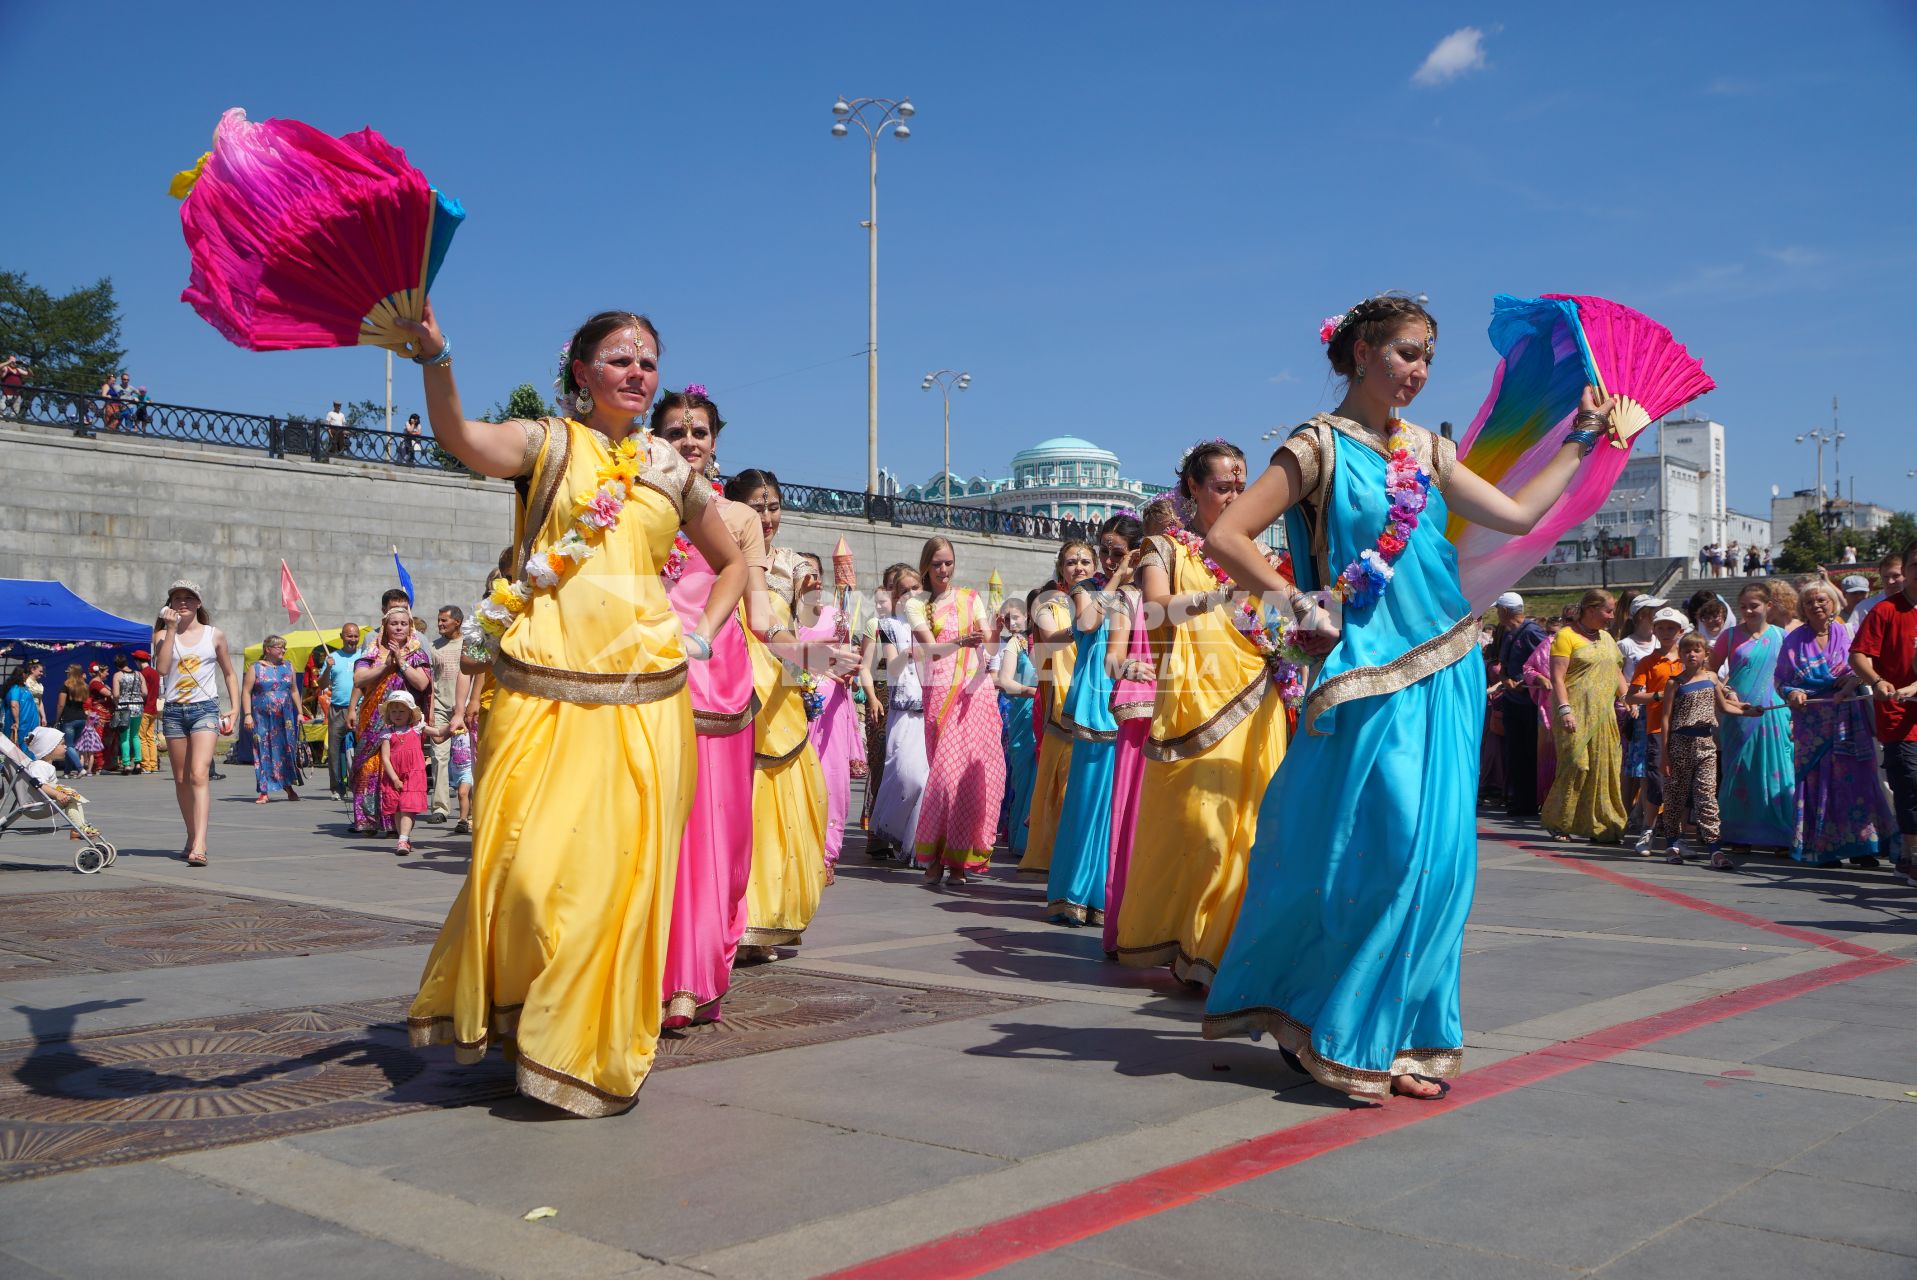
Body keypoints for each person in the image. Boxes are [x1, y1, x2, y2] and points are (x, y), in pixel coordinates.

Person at [1202, 293, 1620, 1103]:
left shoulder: (1426, 450)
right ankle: (1339, 1024)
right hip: (1365, 674)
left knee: (1438, 864)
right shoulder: (1315, 445)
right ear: (1359, 353)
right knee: (1383, 850)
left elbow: (1519, 511)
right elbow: (1226, 536)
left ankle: (1403, 1037)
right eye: (1403, 352)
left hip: (1447, 663)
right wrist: (1297, 602)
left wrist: (1579, 441)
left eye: (1427, 356)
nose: (1417, 371)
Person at [403, 305, 744, 1117]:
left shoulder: (668, 466)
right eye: (620, 359)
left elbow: (730, 562)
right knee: (525, 873)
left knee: (615, 884)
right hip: (539, 691)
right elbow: (460, 438)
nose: (636, 373)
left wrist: (699, 634)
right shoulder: (547, 443)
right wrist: (437, 355)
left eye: (648, 362)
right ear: (581, 371)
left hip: (649, 700)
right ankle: (525, 1007)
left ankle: (578, 1050)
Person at [1114, 440, 1288, 988]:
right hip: (1194, 703)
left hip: (1257, 696)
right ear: (1193, 487)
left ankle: (1228, 958)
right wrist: (1221, 597)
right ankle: (1195, 945)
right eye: (1222, 486)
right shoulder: (1164, 549)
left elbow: (1282, 616)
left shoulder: (1251, 548)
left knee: (1255, 831)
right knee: (1206, 834)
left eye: (1241, 486)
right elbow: (1158, 607)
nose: (1235, 495)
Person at [652, 385, 768, 1025]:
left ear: (716, 442)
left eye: (699, 432)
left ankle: (697, 967)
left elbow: (761, 615)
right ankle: (666, 973)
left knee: (718, 830)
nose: (689, 441)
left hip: (719, 677)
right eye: (676, 432)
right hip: (651, 670)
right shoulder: (639, 505)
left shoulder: (740, 519)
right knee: (669, 824)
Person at [727, 468, 839, 961]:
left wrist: (823, 599)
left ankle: (771, 917)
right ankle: (740, 917)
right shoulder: (719, 558)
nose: (767, 517)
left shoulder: (793, 565)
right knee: (743, 805)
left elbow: (817, 622)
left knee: (787, 804)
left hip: (781, 692)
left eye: (773, 507)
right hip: (730, 683)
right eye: (756, 506)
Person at [1042, 514, 1143, 922]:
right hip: (1095, 700)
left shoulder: (1149, 591)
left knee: (1117, 805)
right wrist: (1116, 578)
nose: (1105, 558)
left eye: (1116, 552)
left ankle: (1106, 898)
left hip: (1133, 701)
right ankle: (1073, 894)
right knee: (1085, 801)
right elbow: (1086, 624)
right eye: (1104, 550)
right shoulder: (1087, 590)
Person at [1775, 580, 1895, 867]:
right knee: (1819, 783)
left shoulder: (1849, 632)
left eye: (1821, 600)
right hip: (1813, 722)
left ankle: (1862, 846)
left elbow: (1864, 666)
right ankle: (1824, 847)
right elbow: (1781, 680)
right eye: (1809, 602)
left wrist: (1852, 680)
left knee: (1855, 781)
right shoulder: (1793, 640)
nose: (1815, 605)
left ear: (1833, 602)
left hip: (1848, 719)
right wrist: (1794, 692)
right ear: (1802, 608)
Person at [907, 536, 1005, 886]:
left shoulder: (971, 599)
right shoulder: (917, 604)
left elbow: (990, 645)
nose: (944, 570)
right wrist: (961, 642)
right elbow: (930, 650)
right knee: (945, 780)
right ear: (926, 567)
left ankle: (959, 862)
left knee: (971, 781)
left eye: (948, 563)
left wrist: (998, 628)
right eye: (937, 564)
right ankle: (933, 856)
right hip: (941, 697)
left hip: (976, 695)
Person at [1017, 543, 1093, 878]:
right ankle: (1056, 855)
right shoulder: (1048, 603)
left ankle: (1085, 857)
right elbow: (1050, 639)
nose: (1079, 567)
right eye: (1072, 562)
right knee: (1060, 785)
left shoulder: (1105, 597)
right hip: (1061, 702)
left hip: (1101, 703)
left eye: (1085, 561)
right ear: (1060, 568)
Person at [154, 580, 240, 867]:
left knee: (198, 774)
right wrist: (168, 630)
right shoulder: (162, 635)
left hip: (205, 709)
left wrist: (235, 708)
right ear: (170, 604)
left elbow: (229, 672)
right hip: (175, 710)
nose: (183, 602)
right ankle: (191, 835)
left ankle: (200, 843)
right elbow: (163, 669)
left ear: (198, 603)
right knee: (180, 779)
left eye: (189, 598)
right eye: (177, 598)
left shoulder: (214, 635)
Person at [1846, 541, 1917, 884]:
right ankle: (1911, 853)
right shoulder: (1885, 612)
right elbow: (1858, 655)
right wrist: (1877, 680)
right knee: (1910, 785)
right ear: (1906, 571)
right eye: (1915, 564)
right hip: (1898, 718)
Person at [795, 554, 867, 878]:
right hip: (798, 703)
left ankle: (828, 855)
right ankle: (800, 850)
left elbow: (849, 655)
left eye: (816, 573)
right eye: (804, 574)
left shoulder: (837, 615)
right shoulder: (786, 619)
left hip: (833, 707)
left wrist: (849, 669)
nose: (812, 580)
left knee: (833, 780)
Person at [1654, 632, 1750, 869]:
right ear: (1681, 655)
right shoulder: (1674, 683)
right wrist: (1664, 753)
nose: (1691, 654)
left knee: (1706, 796)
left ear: (1705, 654)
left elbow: (1725, 706)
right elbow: (1666, 718)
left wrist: (1748, 711)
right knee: (1675, 795)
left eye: (1696, 650)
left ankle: (1714, 849)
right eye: (1686, 650)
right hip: (1680, 743)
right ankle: (1672, 843)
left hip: (1706, 744)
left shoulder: (1711, 677)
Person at [1542, 590, 1628, 843]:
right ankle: (1560, 822)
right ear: (1590, 609)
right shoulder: (1565, 636)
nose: (1612, 617)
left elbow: (1615, 672)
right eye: (1608, 611)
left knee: (1605, 767)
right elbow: (1557, 677)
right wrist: (1565, 709)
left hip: (1603, 714)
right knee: (1578, 766)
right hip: (1574, 713)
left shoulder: (1607, 638)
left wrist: (1628, 700)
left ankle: (1602, 826)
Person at [1715, 583, 1796, 849]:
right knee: (1740, 772)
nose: (1749, 611)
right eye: (1744, 606)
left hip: (1774, 713)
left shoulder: (1781, 636)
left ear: (1768, 607)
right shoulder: (1729, 637)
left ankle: (1782, 836)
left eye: (1755, 605)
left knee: (1778, 772)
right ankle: (1739, 834)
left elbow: (1791, 675)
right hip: (1739, 715)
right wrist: (1726, 691)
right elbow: (1709, 672)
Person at [348, 604, 432, 833]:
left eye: (403, 624)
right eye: (394, 623)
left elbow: (422, 683)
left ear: (410, 627)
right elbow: (359, 679)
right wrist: (386, 666)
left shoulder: (417, 654)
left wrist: (401, 662)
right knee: (367, 767)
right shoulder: (373, 652)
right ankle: (367, 820)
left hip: (403, 723)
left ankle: (393, 822)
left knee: (395, 767)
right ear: (384, 626)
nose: (398, 628)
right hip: (372, 719)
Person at [868, 566, 929, 859]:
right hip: (905, 709)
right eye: (904, 590)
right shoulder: (890, 626)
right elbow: (890, 669)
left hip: (932, 706)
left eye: (916, 587)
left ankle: (919, 848)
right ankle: (895, 834)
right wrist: (908, 654)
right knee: (907, 776)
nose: (911, 594)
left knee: (927, 781)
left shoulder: (934, 621)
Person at [1625, 608, 1690, 853]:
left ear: (1680, 631)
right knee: (1656, 782)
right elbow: (1632, 696)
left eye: (1671, 628)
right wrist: (1659, 695)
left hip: (1685, 728)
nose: (1665, 632)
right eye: (1661, 627)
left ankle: (1676, 837)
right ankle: (1647, 831)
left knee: (1681, 783)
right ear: (1654, 630)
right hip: (1655, 729)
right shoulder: (1648, 662)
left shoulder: (1688, 659)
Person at [1490, 592, 1548, 818]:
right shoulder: (1507, 634)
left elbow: (1543, 662)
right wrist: (1505, 679)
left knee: (1529, 751)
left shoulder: (1532, 632)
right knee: (1514, 751)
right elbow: (1504, 664)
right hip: (1512, 700)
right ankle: (1518, 798)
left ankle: (1530, 800)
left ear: (1505, 611)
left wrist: (1523, 682)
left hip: (1529, 701)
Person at [994, 595, 1040, 859]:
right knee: (1024, 776)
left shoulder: (1049, 640)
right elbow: (1005, 681)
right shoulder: (1015, 643)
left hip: (1048, 712)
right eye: (1007, 618)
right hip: (1023, 715)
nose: (1012, 623)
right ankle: (1023, 840)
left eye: (1017, 617)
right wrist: (1034, 691)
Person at [241, 633, 303, 803]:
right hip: (262, 717)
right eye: (279, 647)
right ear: (268, 649)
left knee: (286, 750)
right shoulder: (256, 668)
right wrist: (247, 715)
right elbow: (246, 692)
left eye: (284, 647)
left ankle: (288, 786)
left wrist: (300, 712)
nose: (283, 650)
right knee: (263, 750)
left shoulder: (289, 666)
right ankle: (264, 790)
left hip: (285, 717)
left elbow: (294, 690)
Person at [424, 605, 464, 823]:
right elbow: (431, 682)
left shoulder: (468, 645)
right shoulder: (433, 647)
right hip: (440, 708)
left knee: (468, 759)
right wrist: (430, 711)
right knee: (439, 757)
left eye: (444, 621)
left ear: (457, 622)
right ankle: (440, 808)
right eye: (438, 620)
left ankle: (470, 809)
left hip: (465, 710)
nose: (439, 624)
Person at [319, 622, 362, 799]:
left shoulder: (364, 655)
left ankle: (360, 785)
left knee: (363, 748)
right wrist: (328, 667)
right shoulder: (333, 657)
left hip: (360, 708)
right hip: (338, 709)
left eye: (355, 636)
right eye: (349, 636)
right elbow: (322, 685)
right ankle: (336, 788)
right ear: (342, 636)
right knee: (334, 750)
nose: (352, 639)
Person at [110, 652, 144, 774]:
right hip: (138, 706)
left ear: (117, 665)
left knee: (125, 737)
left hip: (124, 707)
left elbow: (116, 694)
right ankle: (138, 762)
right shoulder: (139, 674)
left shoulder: (117, 675)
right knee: (135, 735)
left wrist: (116, 702)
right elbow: (144, 691)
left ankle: (126, 764)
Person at [52, 666, 88, 777]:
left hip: (69, 718)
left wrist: (57, 719)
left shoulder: (65, 686)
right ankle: (67, 771)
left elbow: (61, 704)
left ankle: (80, 768)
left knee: (69, 745)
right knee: (72, 745)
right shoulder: (84, 686)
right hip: (81, 718)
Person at [1847, 554, 1900, 628]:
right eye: (1885, 577)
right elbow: (1851, 635)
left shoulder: (1913, 604)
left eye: (1896, 576)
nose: (1890, 581)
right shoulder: (1864, 608)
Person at [3, 660, 45, 743]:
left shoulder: (27, 687)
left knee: (31, 739)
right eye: (40, 671)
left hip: (32, 716)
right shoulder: (18, 687)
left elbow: (39, 701)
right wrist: (17, 721)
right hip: (24, 716)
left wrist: (43, 716)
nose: (42, 674)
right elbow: (14, 704)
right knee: (22, 740)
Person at [135, 649, 160, 773]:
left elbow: (142, 692)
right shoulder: (155, 673)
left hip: (144, 708)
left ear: (138, 661)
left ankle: (146, 765)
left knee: (142, 737)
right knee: (151, 737)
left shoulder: (142, 673)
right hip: (153, 708)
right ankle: (154, 765)